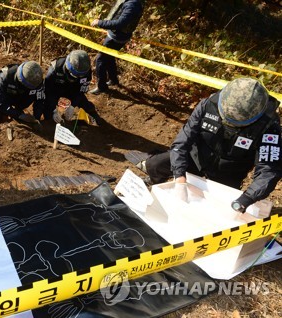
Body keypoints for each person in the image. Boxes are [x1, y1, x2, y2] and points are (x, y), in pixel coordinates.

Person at [132, 78, 281, 215]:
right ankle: (154, 179)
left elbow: (269, 170)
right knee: (155, 164)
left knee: (219, 209)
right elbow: (182, 142)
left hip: (229, 171)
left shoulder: (269, 126)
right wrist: (179, 179)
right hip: (197, 157)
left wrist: (245, 200)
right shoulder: (208, 104)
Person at [89, 0, 144, 95]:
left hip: (116, 37)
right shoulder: (133, 2)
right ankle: (113, 80)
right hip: (119, 35)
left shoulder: (132, 5)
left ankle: (101, 87)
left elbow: (120, 23)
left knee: (100, 60)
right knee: (109, 56)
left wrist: (100, 23)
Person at [39, 50, 103, 125]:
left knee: (83, 101)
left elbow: (81, 92)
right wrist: (53, 109)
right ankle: (49, 118)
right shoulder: (55, 69)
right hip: (56, 89)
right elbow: (48, 91)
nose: (75, 78)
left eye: (79, 76)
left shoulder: (87, 72)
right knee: (48, 110)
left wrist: (72, 106)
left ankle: (93, 114)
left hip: (73, 89)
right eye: (74, 75)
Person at [0, 61, 44, 131]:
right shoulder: (5, 76)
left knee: (27, 100)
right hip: (1, 95)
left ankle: (16, 110)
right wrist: (20, 115)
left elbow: (39, 101)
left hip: (18, 95)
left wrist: (36, 119)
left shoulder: (38, 82)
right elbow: (1, 103)